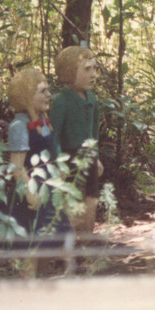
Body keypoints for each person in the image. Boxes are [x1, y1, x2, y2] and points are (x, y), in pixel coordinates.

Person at [5, 67, 73, 269]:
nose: (48, 95)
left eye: (48, 90)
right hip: (30, 189)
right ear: (27, 96)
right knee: (31, 242)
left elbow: (50, 149)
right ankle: (28, 279)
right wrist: (29, 190)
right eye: (42, 91)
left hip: (48, 186)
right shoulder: (19, 126)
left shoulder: (42, 120)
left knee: (60, 235)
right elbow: (17, 166)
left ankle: (66, 277)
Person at [49, 45, 102, 235]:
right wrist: (58, 162)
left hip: (89, 156)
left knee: (91, 199)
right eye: (87, 69)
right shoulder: (61, 101)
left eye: (94, 68)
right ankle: (69, 242)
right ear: (70, 72)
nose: (93, 74)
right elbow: (54, 135)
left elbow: (94, 131)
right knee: (71, 201)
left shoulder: (92, 99)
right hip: (69, 158)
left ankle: (87, 239)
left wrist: (97, 157)